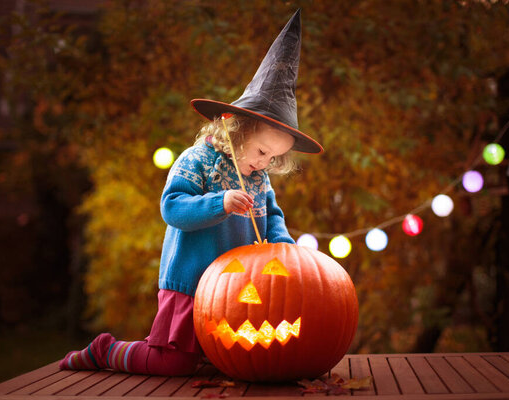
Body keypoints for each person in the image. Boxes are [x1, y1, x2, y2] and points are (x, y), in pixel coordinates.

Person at [59, 9, 322, 376]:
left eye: (274, 158)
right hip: (192, 282)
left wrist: (287, 252)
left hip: (239, 289)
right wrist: (221, 203)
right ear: (236, 128)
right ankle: (107, 351)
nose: (265, 163)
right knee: (174, 362)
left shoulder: (258, 177)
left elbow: (273, 219)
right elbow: (173, 208)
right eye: (262, 152)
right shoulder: (197, 161)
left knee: (230, 357)